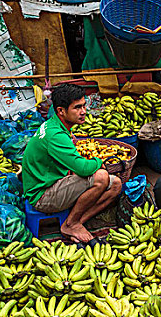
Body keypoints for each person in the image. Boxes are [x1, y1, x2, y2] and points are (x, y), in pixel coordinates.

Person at [22, 83, 122, 243]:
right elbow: (82, 168)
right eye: (77, 108)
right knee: (102, 177)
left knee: (116, 184)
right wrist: (98, 162)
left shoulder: (55, 124)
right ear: (61, 111)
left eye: (83, 106)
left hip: (54, 181)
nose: (83, 112)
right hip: (42, 195)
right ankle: (72, 223)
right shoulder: (55, 135)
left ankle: (74, 222)